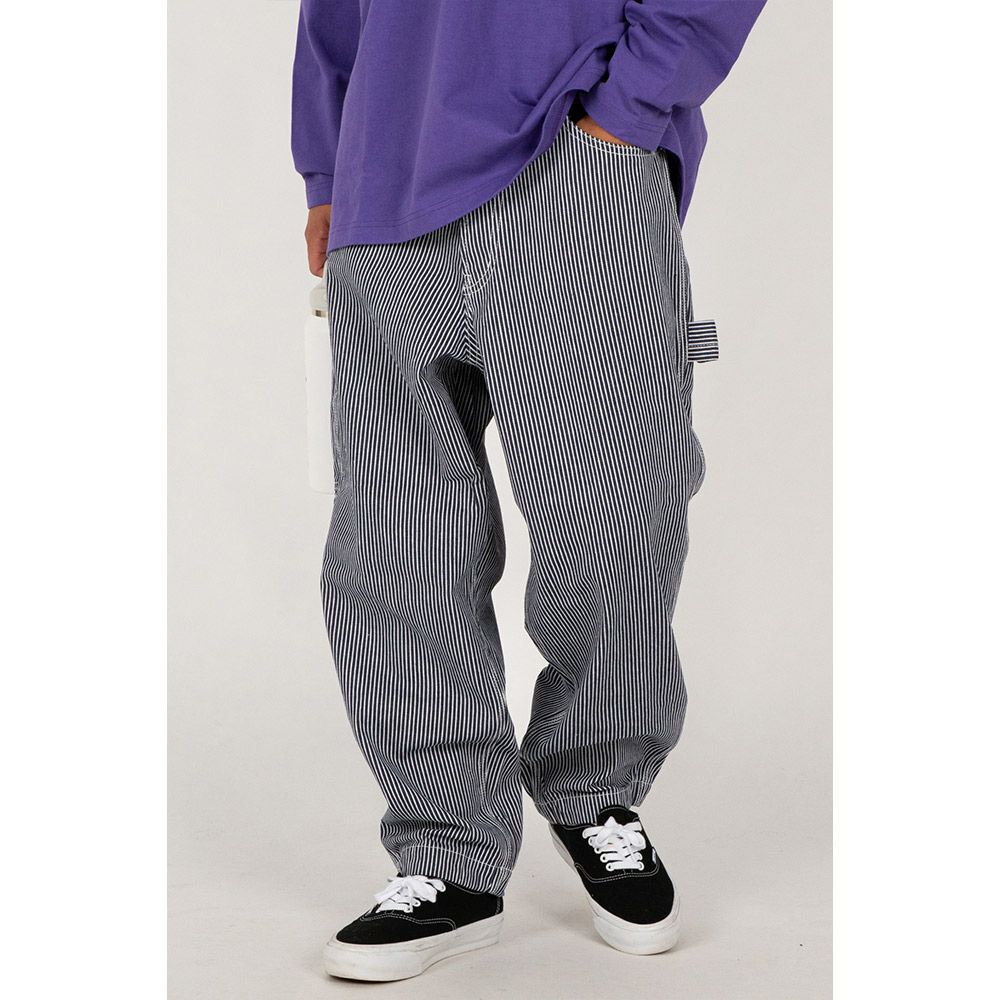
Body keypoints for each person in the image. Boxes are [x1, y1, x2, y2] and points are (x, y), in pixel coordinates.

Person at [292, 0, 764, 982]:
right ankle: (447, 853)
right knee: (394, 545)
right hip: (385, 168)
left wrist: (628, 110)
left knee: (616, 516)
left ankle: (594, 789)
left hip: (571, 156)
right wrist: (330, 166)